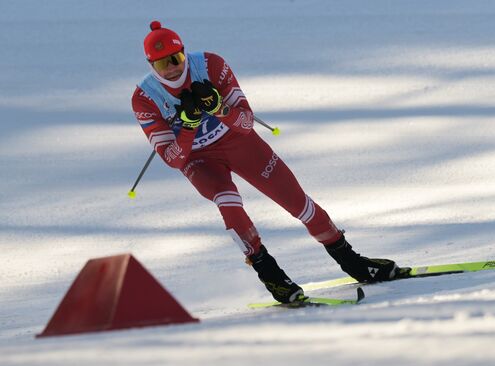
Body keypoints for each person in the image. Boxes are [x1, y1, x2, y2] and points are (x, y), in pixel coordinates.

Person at [132, 21, 403, 303]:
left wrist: (219, 109)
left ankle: (353, 262)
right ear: (151, 66)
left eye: (176, 59)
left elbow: (246, 123)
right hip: (199, 159)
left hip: (238, 142)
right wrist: (187, 126)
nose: (173, 68)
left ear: (184, 53)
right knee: (228, 200)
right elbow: (174, 159)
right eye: (163, 65)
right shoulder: (144, 98)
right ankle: (271, 275)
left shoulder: (210, 65)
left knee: (297, 202)